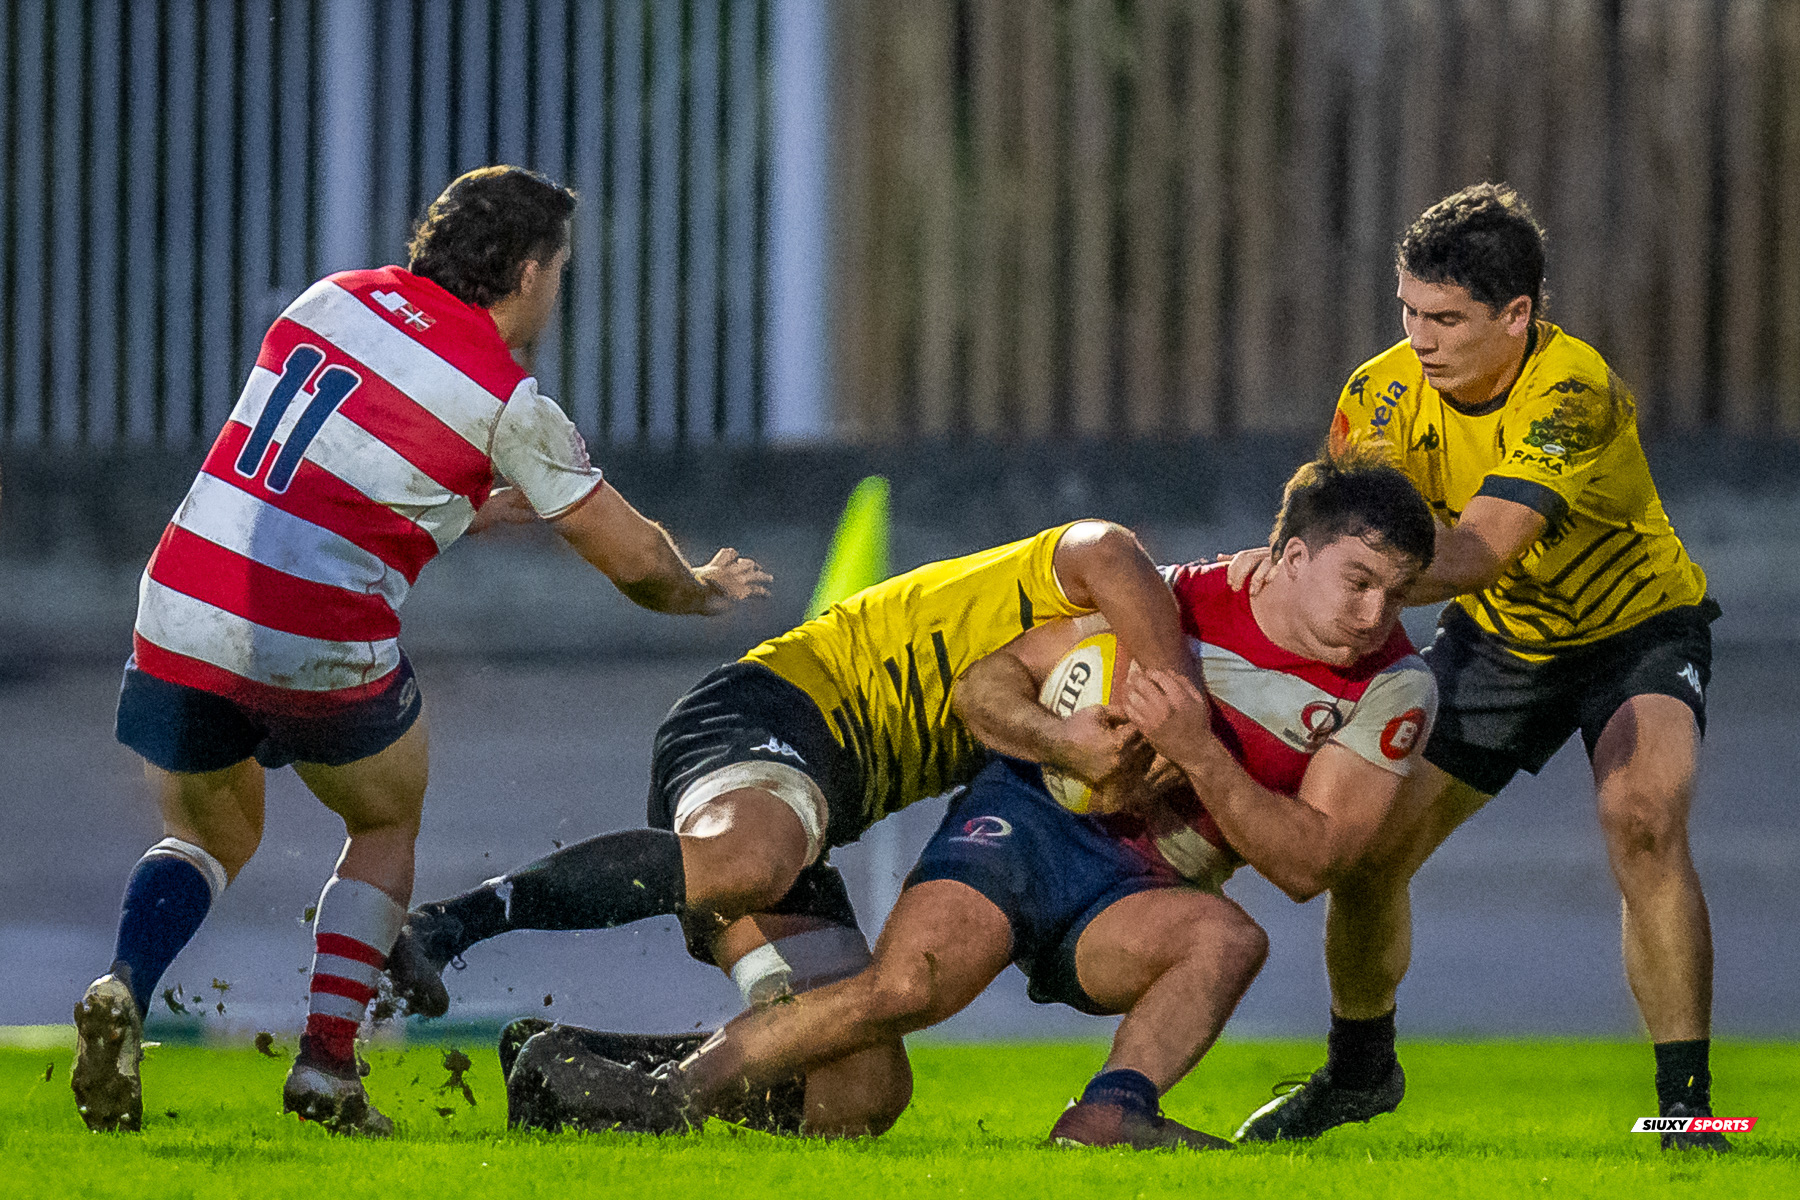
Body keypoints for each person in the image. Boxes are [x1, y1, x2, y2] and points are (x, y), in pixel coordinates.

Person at [70, 166, 771, 1137]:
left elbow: (322, 474)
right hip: (313, 630)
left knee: (210, 837)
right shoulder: (506, 399)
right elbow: (632, 558)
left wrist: (465, 509)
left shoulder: (330, 299)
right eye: (559, 269)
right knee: (387, 817)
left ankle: (123, 988)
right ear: (528, 271)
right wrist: (698, 588)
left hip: (182, 599)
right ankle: (326, 1069)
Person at [503, 452, 1442, 1148]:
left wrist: (1200, 754)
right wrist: (1065, 739)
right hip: (1028, 820)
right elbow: (987, 687)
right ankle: (668, 1093)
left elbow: (1311, 863)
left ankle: (1113, 1113)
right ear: (1285, 555)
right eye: (1357, 582)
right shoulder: (1168, 603)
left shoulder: (1395, 687)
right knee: (906, 995)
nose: (1373, 618)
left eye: (1395, 597)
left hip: (1144, 890)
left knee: (1230, 939)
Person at [387, 519, 1201, 1136]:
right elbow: (1106, 548)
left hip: (815, 809)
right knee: (749, 859)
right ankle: (447, 924)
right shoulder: (1116, 582)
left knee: (863, 1089)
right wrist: (1174, 704)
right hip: (772, 710)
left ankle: (574, 1067)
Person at [1228, 183, 1727, 1152]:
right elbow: (1326, 513)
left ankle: (1689, 1110)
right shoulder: (1380, 390)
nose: (1420, 337)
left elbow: (1478, 553)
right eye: (1409, 311)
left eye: (1447, 318)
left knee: (1643, 818)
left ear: (1518, 317)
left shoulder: (1571, 391)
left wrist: (1340, 583)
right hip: (1499, 644)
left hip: (1638, 634)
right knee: (1367, 854)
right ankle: (1360, 1072)